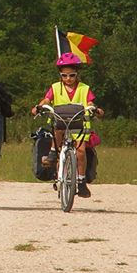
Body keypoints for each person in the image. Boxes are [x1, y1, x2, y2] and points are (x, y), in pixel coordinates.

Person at [30, 53, 105, 197]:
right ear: (60, 75)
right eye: (64, 76)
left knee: (81, 151)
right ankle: (53, 155)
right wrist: (39, 107)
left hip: (79, 123)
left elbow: (89, 102)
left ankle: (81, 180)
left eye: (71, 75)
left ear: (77, 75)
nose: (68, 79)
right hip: (60, 121)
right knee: (58, 132)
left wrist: (94, 108)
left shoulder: (84, 88)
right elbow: (47, 99)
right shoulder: (55, 87)